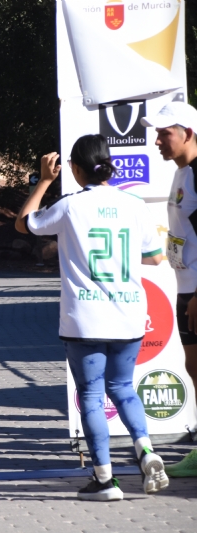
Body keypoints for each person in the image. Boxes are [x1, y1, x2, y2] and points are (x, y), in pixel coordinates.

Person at [16, 134, 168, 501]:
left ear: (75, 168)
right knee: (124, 389)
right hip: (129, 314)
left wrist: (44, 181)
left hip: (85, 317)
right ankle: (146, 449)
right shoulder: (134, 205)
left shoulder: (70, 206)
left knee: (92, 394)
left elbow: (24, 224)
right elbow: (156, 257)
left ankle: (104, 480)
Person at [142, 101, 197, 477]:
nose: (158, 141)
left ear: (188, 134)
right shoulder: (182, 173)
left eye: (165, 134)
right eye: (157, 134)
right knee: (193, 369)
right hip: (186, 286)